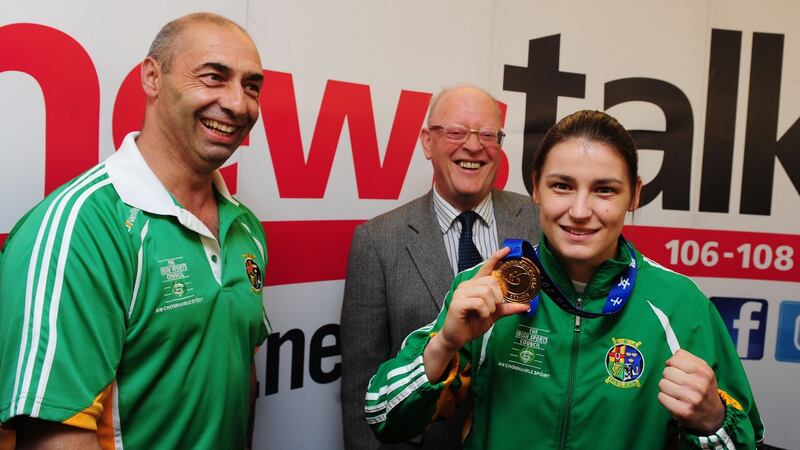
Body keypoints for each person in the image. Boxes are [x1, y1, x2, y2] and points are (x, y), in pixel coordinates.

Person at [365, 110, 764, 449]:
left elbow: (748, 439)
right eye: (562, 186)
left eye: (604, 190)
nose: (579, 210)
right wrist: (445, 344)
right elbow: (382, 415)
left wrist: (712, 421)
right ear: (535, 188)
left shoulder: (680, 304)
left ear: (635, 196)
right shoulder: (487, 286)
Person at [0, 13, 270, 449]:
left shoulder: (246, 226)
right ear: (152, 77)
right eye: (214, 77)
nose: (238, 104)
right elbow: (54, 439)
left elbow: (241, 376)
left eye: (251, 86)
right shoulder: (81, 227)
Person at [340, 85, 539, 450]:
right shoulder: (377, 241)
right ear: (427, 142)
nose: (473, 146)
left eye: (487, 134)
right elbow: (360, 387)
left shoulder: (539, 222)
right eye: (456, 132)